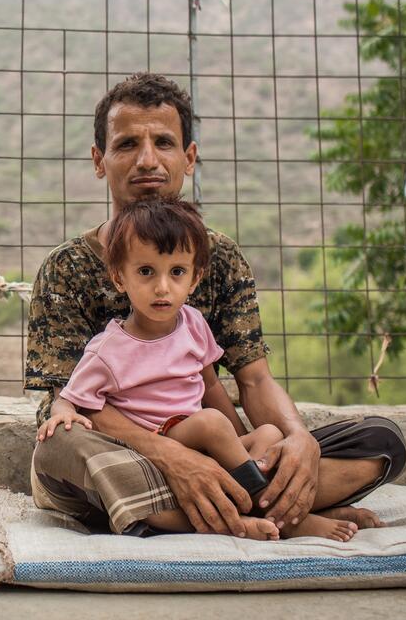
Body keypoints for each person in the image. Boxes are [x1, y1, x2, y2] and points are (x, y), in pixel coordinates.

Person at [27, 73, 406, 538]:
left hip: (211, 447)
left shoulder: (220, 257)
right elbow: (69, 402)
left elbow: (254, 378)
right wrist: (173, 457)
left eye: (164, 142)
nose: (147, 160)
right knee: (58, 447)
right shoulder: (66, 267)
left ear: (188, 158)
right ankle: (274, 512)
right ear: (99, 160)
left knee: (380, 442)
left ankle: (220, 505)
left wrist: (299, 440)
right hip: (121, 453)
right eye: (127, 144)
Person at [38, 196, 356, 541]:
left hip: (204, 443)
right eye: (146, 272)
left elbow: (211, 387)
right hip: (153, 447)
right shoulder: (108, 349)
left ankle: (245, 494)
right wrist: (61, 412)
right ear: (119, 277)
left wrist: (237, 445)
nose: (162, 287)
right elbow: (75, 399)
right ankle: (268, 514)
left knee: (269, 435)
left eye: (176, 272)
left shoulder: (193, 324)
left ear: (194, 278)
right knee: (209, 423)